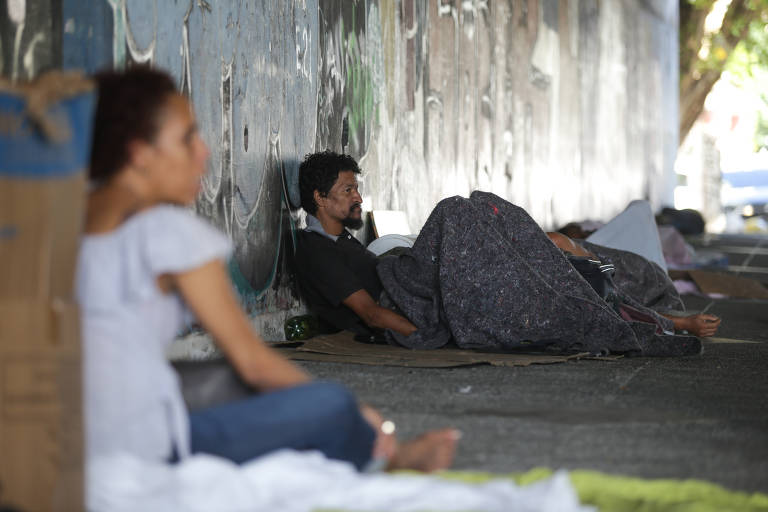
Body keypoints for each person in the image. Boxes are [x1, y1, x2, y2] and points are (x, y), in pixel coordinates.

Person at [76, 67, 458, 474]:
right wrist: (362, 416)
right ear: (139, 153)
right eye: (187, 138)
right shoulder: (167, 234)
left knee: (221, 381)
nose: (204, 153)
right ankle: (388, 462)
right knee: (333, 403)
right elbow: (253, 361)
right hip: (146, 442)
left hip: (75, 431)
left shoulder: (66, 219)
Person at [294, 151, 720, 350]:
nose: (358, 198)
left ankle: (648, 307)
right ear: (318, 197)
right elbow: (371, 313)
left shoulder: (340, 239)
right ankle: (662, 322)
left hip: (416, 275)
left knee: (494, 222)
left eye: (356, 188)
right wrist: (429, 336)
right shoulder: (317, 252)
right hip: (413, 296)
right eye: (348, 190)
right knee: (454, 212)